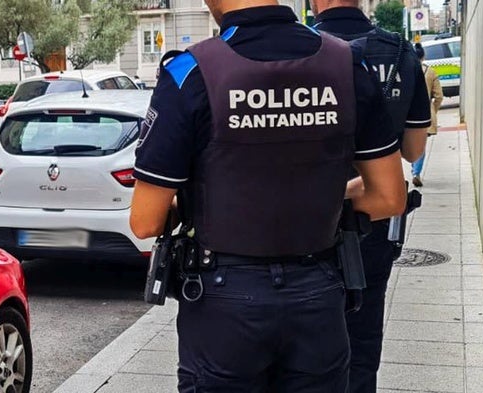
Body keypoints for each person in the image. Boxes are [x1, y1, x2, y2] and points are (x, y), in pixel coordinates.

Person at [130, 1, 406, 392]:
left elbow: (145, 221)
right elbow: (390, 196)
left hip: (224, 304)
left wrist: (202, 205)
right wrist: (320, 200)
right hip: (319, 292)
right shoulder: (346, 64)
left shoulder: (190, 73)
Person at [312, 1, 431, 393]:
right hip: (375, 220)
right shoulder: (398, 51)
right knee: (361, 345)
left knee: (305, 348)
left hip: (306, 222)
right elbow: (413, 150)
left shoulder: (301, 49)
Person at [411, 42, 444, 187]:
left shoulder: (405, 70)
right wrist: (433, 110)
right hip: (425, 113)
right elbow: (439, 96)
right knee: (420, 144)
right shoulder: (431, 72)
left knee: (407, 143)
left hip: (407, 113)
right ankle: (416, 172)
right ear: (423, 56)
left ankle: (412, 169)